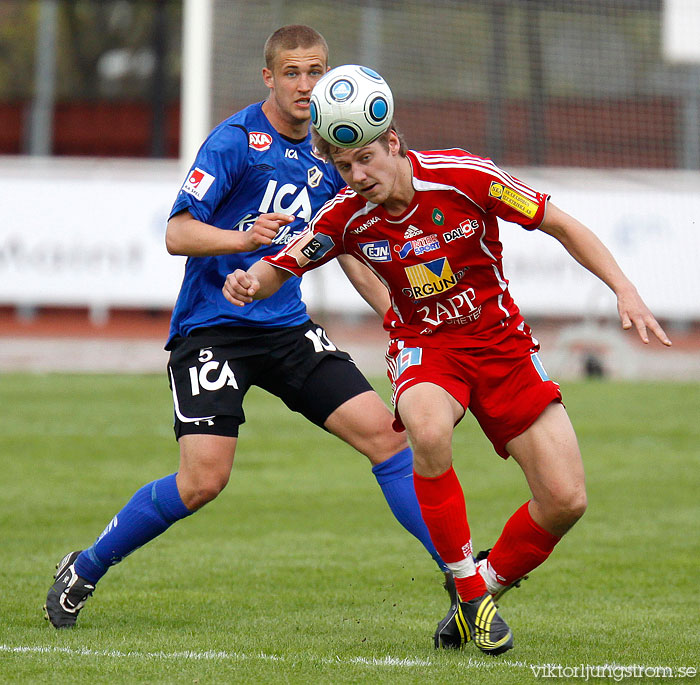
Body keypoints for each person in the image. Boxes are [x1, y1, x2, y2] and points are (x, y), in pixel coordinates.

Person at [221, 100, 672, 654]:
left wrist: (623, 289)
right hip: (426, 348)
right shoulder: (344, 217)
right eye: (344, 167)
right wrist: (247, 283)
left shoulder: (465, 178)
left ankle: (483, 587)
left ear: (393, 145)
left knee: (565, 500)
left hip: (503, 348)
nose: (358, 176)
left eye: (366, 159)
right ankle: (469, 588)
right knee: (426, 429)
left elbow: (560, 223)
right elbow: (279, 268)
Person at [44, 26, 451, 630]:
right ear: (269, 77)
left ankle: (463, 581)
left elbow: (348, 250)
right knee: (203, 480)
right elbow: (176, 233)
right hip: (214, 330)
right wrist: (243, 238)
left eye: (316, 72)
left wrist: (397, 317)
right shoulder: (235, 142)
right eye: (292, 73)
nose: (305, 86)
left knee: (389, 438)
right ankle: (86, 565)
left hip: (286, 328)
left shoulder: (333, 154)